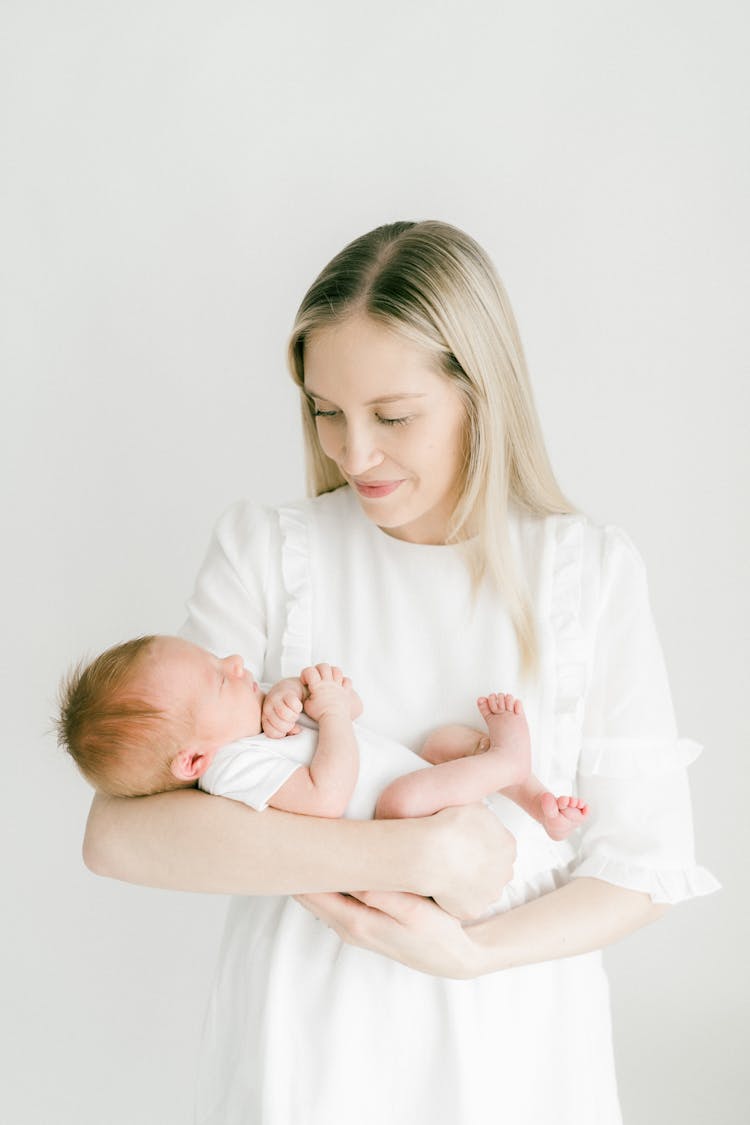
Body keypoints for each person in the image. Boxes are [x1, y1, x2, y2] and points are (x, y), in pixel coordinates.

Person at [82, 220, 719, 1124]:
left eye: (393, 415)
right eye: (324, 411)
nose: (353, 453)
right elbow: (123, 834)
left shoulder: (589, 573)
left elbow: (645, 869)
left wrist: (474, 954)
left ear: (478, 394)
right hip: (305, 1046)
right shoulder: (268, 550)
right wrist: (410, 852)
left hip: (515, 1046)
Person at [58, 633, 588, 834]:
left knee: (443, 744)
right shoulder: (232, 769)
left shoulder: (252, 708)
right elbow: (327, 797)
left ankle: (539, 803)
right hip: (409, 820)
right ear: (195, 762)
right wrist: (330, 716)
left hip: (428, 782)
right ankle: (509, 758)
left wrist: (303, 690)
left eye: (218, 658)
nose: (236, 662)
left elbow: (352, 708)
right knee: (404, 797)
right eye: (220, 678)